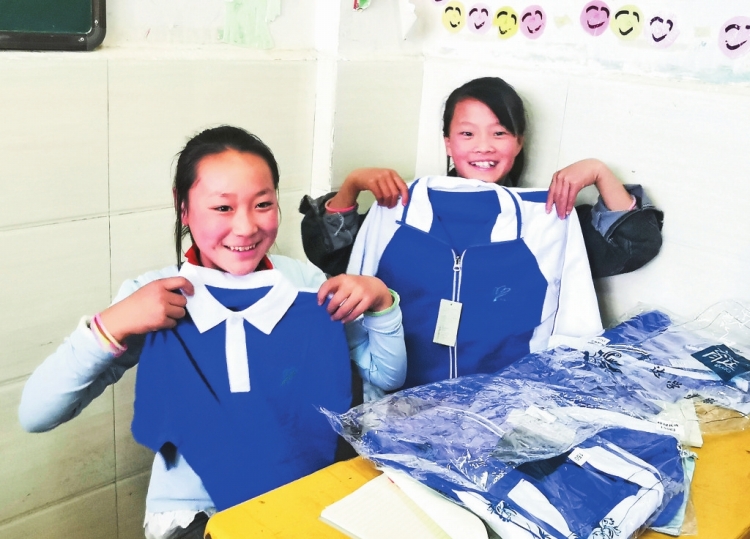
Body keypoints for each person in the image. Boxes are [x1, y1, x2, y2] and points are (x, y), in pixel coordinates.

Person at [18, 126, 406, 539]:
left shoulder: (307, 285)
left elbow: (387, 376)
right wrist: (113, 323)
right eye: (222, 207)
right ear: (183, 208)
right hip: (193, 516)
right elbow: (35, 414)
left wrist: (382, 302)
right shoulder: (151, 298)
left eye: (262, 204)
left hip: (297, 498)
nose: (245, 227)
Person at [300, 77, 663, 279]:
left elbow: (631, 248)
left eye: (500, 133)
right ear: (448, 143)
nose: (484, 146)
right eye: (467, 134)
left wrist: (599, 172)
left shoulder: (542, 218)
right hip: (406, 373)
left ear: (519, 142)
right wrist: (352, 185)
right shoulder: (406, 207)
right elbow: (332, 256)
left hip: (499, 380)